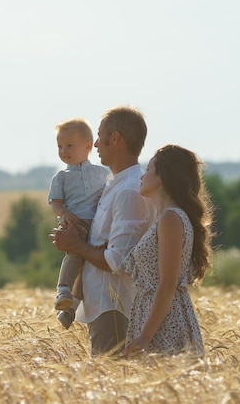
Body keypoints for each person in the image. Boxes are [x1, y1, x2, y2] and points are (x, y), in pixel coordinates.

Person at [51, 106, 155, 356]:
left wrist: (75, 246)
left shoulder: (128, 192)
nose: (95, 144)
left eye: (100, 135)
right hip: (104, 304)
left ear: (116, 138)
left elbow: (116, 261)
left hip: (114, 307)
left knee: (114, 386)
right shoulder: (114, 184)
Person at [122, 144, 214, 358]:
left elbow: (168, 283)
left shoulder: (170, 218)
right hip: (156, 317)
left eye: (148, 170)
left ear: (163, 176)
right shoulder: (167, 217)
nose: (142, 176)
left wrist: (145, 336)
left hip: (165, 324)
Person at [48, 118, 109, 329]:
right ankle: (63, 290)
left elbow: (108, 195)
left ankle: (71, 308)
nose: (63, 150)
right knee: (74, 256)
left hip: (98, 224)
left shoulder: (102, 173)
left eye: (69, 145)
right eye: (60, 146)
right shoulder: (61, 177)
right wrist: (64, 213)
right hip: (74, 223)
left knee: (90, 270)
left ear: (88, 146)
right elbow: (55, 203)